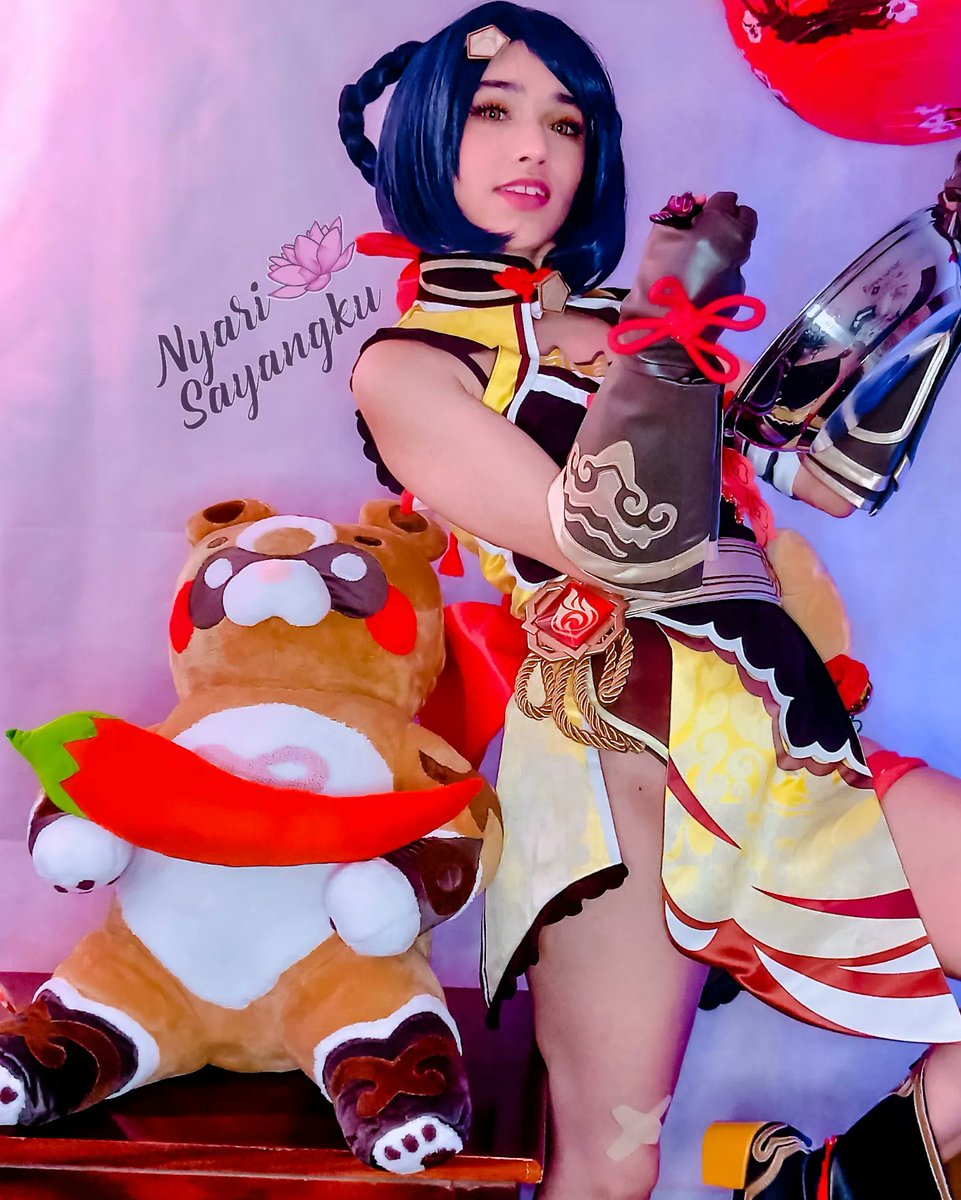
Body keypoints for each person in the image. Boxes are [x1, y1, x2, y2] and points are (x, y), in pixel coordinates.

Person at [339, 4, 961, 1196]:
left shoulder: (633, 314)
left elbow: (822, 470)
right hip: (603, 769)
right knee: (605, 1173)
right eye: (493, 112)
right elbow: (613, 536)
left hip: (776, 726)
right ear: (425, 134)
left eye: (565, 122)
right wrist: (670, 323)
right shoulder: (407, 367)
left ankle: (834, 1183)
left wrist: (932, 272)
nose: (535, 146)